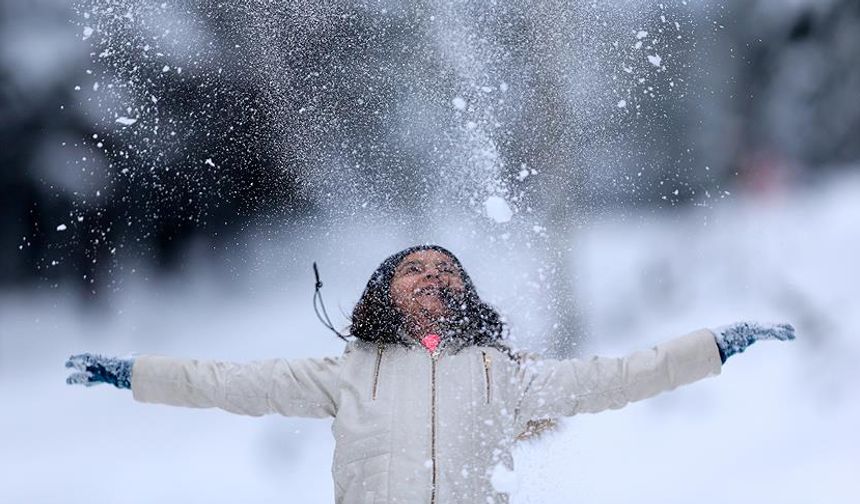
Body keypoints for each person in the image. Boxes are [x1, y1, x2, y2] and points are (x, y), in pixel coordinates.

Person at [66, 244, 795, 504]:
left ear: (465, 294)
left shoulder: (505, 375)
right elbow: (227, 382)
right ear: (384, 292)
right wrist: (135, 374)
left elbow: (619, 377)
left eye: (447, 270)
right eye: (413, 268)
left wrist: (714, 347)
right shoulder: (347, 373)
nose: (433, 275)